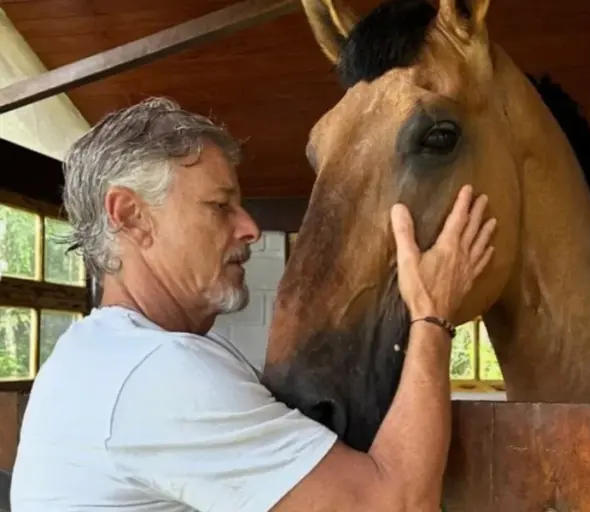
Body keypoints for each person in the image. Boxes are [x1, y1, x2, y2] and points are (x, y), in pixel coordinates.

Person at [10, 97, 496, 511]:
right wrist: (431, 314)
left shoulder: (92, 355)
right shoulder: (154, 373)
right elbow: (395, 504)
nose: (249, 229)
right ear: (132, 217)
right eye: (220, 206)